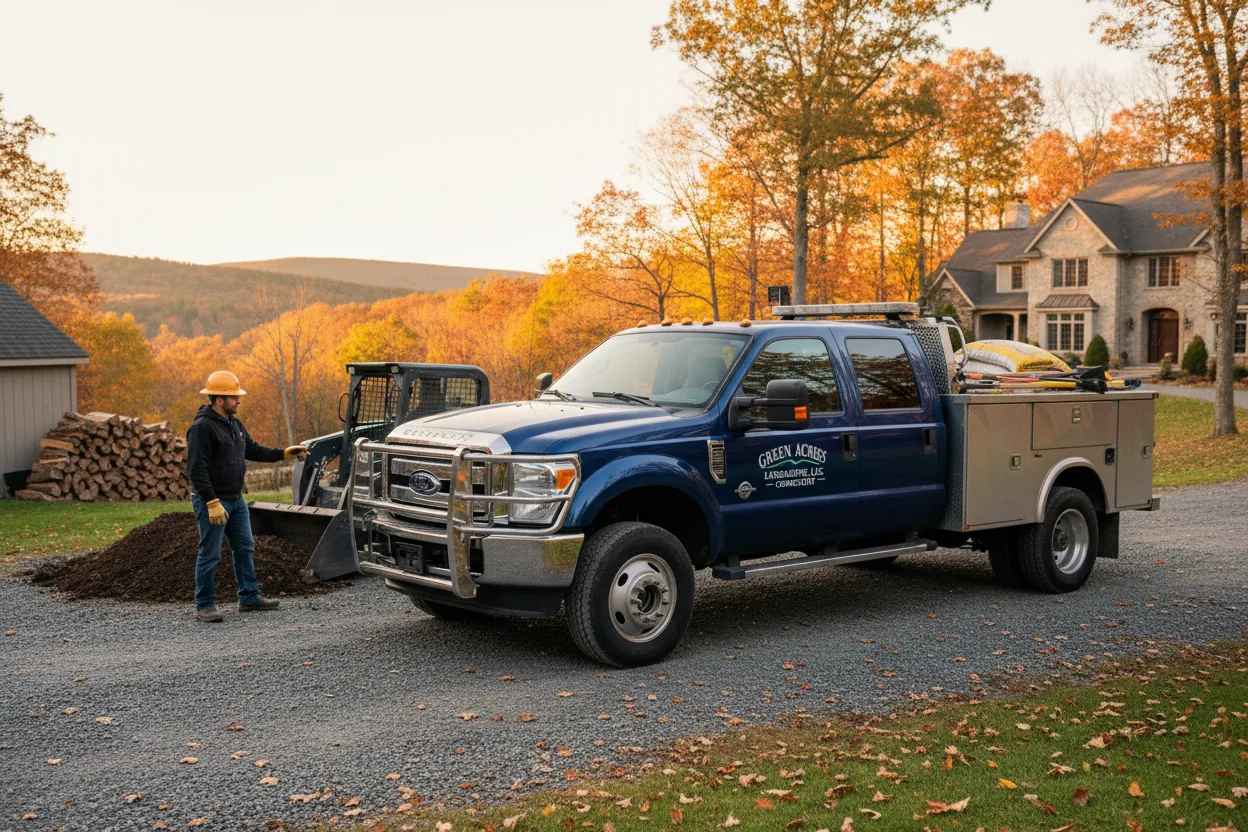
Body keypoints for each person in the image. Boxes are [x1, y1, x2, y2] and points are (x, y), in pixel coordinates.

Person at [186, 370, 307, 623]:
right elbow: (196, 470)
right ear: (219, 399)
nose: (239, 401)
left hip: (236, 499)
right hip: (213, 501)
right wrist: (211, 501)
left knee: (244, 547)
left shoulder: (234, 424)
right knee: (210, 553)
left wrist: (284, 453)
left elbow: (252, 449)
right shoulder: (201, 428)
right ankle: (205, 605)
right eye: (234, 397)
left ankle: (249, 597)